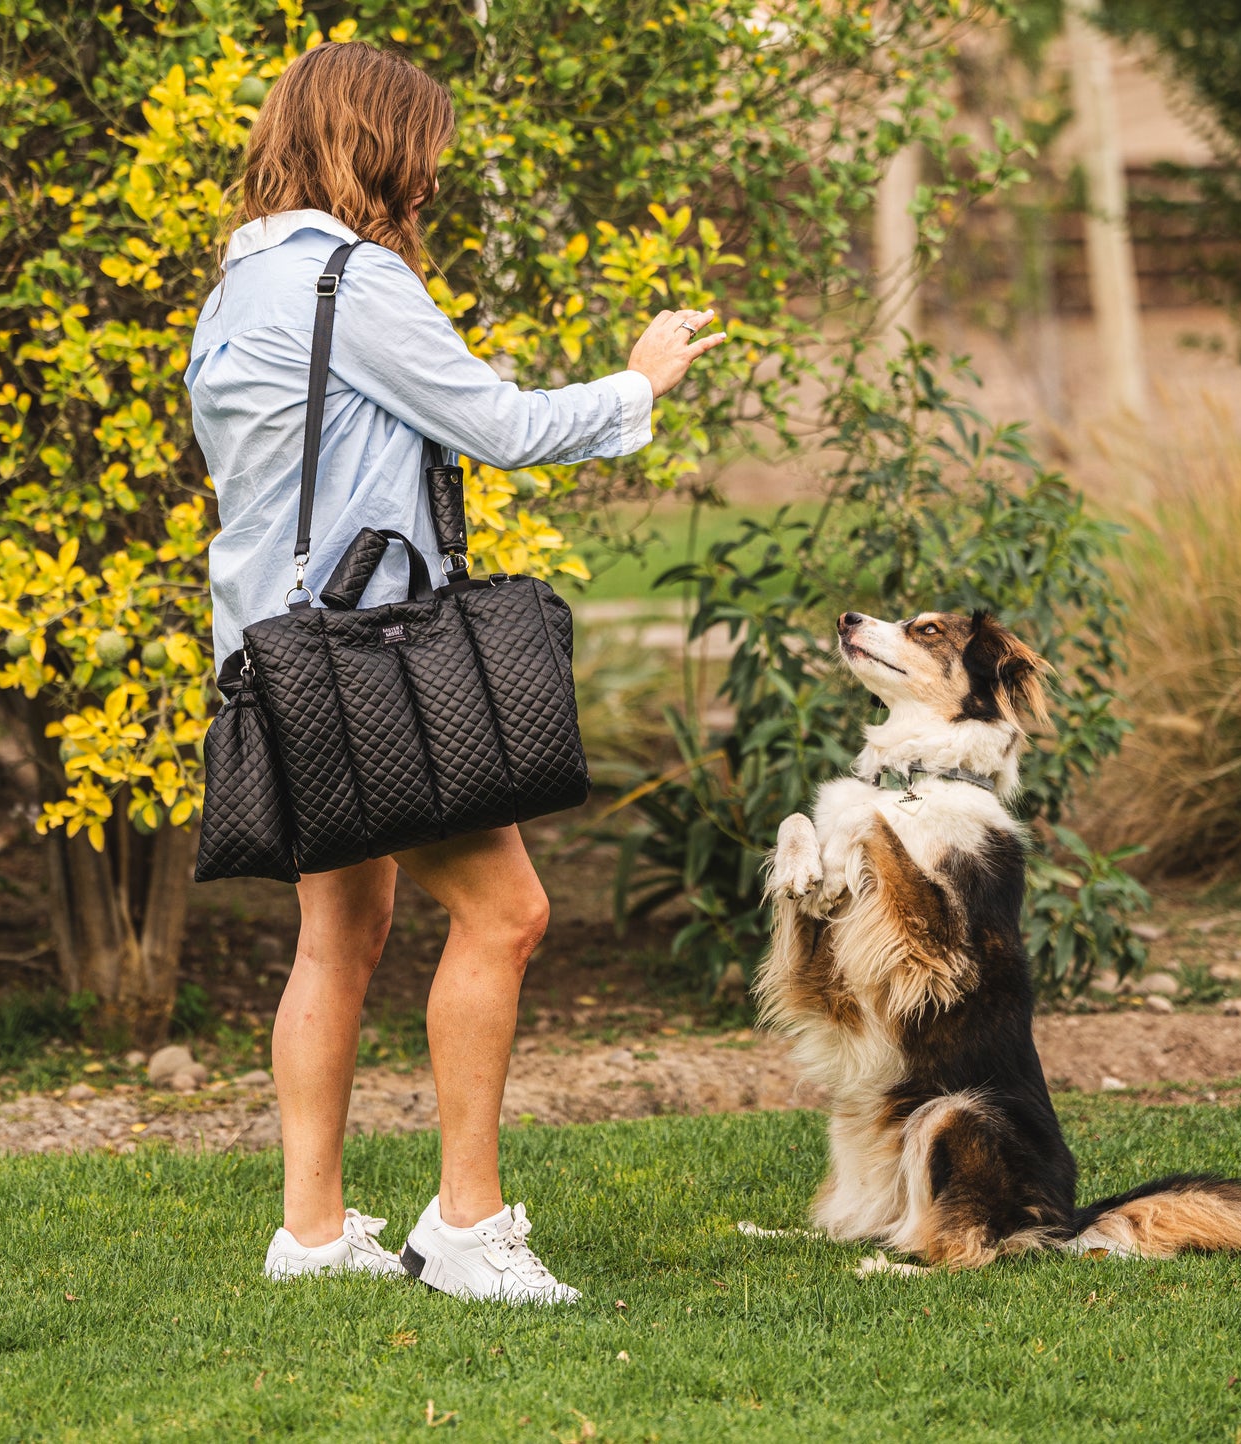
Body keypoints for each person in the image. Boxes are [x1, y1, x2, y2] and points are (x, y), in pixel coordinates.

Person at [184, 39, 725, 1304]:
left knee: (339, 931)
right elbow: (498, 426)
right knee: (507, 913)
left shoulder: (237, 288)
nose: (430, 176)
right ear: (374, 144)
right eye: (420, 150)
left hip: (276, 659)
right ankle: (467, 1228)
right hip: (368, 664)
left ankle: (312, 1233)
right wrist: (637, 382)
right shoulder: (350, 279)